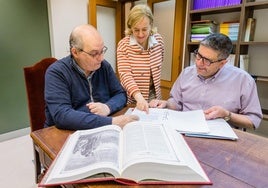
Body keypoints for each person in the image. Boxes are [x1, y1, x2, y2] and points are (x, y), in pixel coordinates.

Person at [149, 33, 263, 129]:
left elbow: (253, 121)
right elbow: (176, 102)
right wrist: (166, 104)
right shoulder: (187, 73)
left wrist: (227, 115)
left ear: (222, 63)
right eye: (198, 55)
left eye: (207, 60)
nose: (198, 63)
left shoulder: (243, 80)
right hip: (184, 130)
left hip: (219, 138)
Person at [44, 24, 138, 130]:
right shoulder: (57, 72)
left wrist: (107, 107)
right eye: (94, 54)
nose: (101, 58)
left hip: (101, 126)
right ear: (75, 52)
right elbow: (62, 116)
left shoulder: (104, 66)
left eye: (102, 51)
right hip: (65, 132)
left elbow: (120, 94)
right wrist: (111, 122)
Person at [117, 4, 164, 113]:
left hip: (155, 96)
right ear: (130, 27)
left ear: (151, 25)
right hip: (133, 98)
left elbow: (160, 61)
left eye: (144, 29)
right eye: (136, 30)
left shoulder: (159, 41)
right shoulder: (124, 45)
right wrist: (139, 97)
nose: (141, 34)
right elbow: (125, 75)